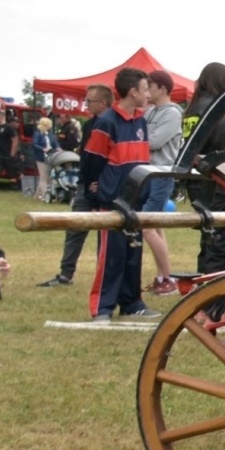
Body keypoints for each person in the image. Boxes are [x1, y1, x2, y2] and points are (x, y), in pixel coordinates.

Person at [81, 69, 159, 323]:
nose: (149, 94)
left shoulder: (141, 121)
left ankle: (132, 302)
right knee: (110, 257)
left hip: (135, 200)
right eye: (145, 89)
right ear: (133, 92)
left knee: (132, 253)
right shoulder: (107, 122)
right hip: (112, 202)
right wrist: (95, 189)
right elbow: (92, 160)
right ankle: (102, 307)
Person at [37, 84, 111, 288]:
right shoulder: (89, 125)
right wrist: (85, 182)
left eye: (90, 101)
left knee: (105, 234)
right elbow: (87, 156)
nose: (86, 104)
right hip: (85, 185)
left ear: (103, 102)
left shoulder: (112, 124)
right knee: (75, 228)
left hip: (106, 187)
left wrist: (102, 182)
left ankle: (104, 276)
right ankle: (65, 274)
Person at [181, 63, 225, 281]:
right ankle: (212, 282)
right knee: (218, 235)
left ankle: (203, 279)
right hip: (215, 180)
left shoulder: (193, 108)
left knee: (208, 233)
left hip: (196, 180)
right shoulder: (214, 108)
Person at [141, 70, 184, 295]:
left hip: (162, 173)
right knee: (156, 226)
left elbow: (154, 141)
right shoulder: (150, 112)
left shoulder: (172, 113)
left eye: (150, 86)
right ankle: (162, 276)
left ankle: (169, 278)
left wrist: (138, 138)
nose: (147, 91)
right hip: (147, 173)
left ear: (163, 89)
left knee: (146, 226)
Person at [0, 111, 23, 189]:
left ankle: (15, 187)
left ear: (1, 116)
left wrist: (12, 154)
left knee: (12, 172)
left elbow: (15, 140)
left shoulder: (9, 128)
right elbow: (0, 139)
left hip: (8, 154)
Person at [31, 117, 59, 202]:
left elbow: (55, 143)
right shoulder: (37, 134)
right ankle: (44, 195)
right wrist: (43, 148)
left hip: (50, 157)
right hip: (41, 158)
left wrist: (59, 148)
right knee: (43, 176)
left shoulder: (51, 135)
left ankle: (37, 195)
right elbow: (35, 144)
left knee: (48, 177)